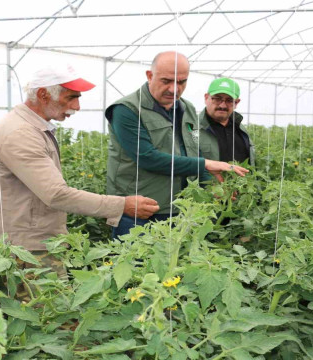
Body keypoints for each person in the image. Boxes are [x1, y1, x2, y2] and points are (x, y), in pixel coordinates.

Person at [0, 63, 160, 279]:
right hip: (23, 249)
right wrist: (122, 205)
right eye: (71, 97)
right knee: (45, 309)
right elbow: (56, 194)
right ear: (44, 94)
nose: (77, 106)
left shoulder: (32, 127)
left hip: (30, 241)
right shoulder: (20, 134)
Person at [105, 51, 248, 238]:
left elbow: (193, 151)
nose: (174, 89)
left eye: (181, 82)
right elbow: (147, 157)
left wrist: (213, 187)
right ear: (150, 76)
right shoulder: (127, 110)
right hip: (140, 211)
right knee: (136, 265)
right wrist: (205, 163)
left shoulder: (187, 108)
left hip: (181, 209)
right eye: (166, 81)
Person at [184, 77, 254, 165]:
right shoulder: (192, 128)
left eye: (229, 100)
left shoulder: (241, 129)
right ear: (206, 98)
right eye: (217, 99)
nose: (222, 105)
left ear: (236, 103)